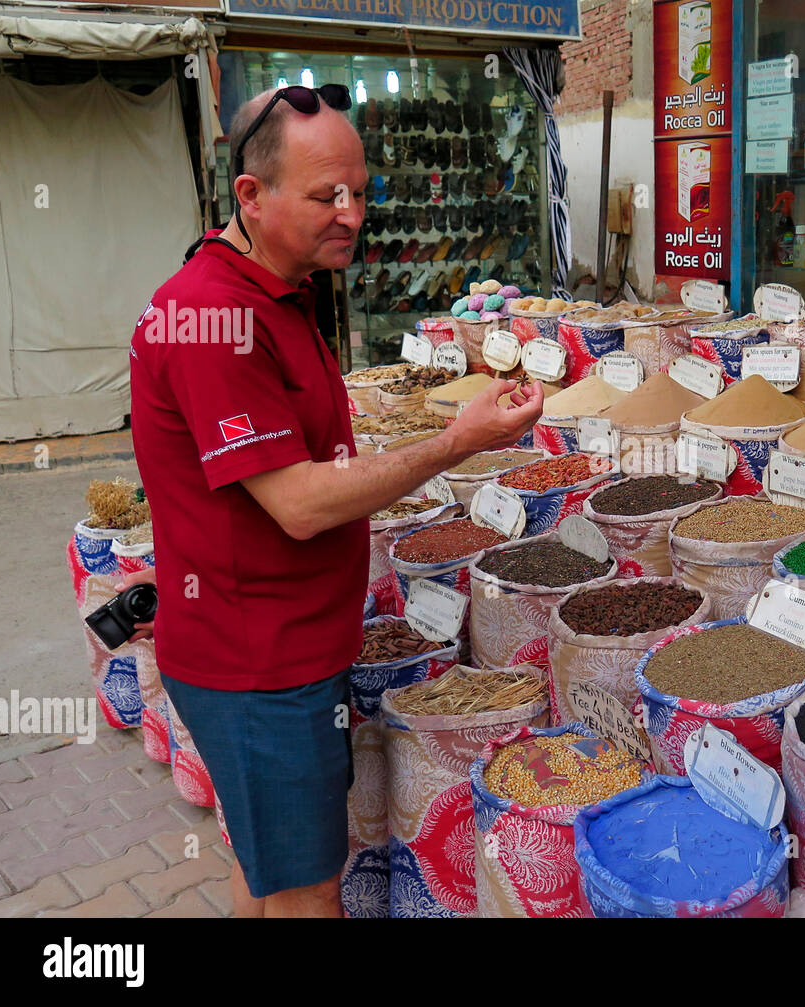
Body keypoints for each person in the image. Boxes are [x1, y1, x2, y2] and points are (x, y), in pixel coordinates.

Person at [121, 85, 543, 918]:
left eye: (360, 190)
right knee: (312, 891)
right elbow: (302, 504)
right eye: (325, 196)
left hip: (279, 646)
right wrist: (455, 442)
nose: (352, 213)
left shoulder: (285, 283)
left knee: (264, 871)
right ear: (251, 194)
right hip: (257, 665)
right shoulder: (213, 315)